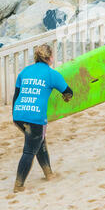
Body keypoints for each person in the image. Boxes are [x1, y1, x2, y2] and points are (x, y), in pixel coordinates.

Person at [12, 44, 73, 193]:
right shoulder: (52, 74)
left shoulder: (25, 71)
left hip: (18, 115)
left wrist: (15, 115)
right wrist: (66, 98)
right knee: (29, 150)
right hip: (35, 116)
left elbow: (16, 96)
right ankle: (18, 186)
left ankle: (48, 173)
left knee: (38, 140)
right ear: (50, 58)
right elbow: (69, 92)